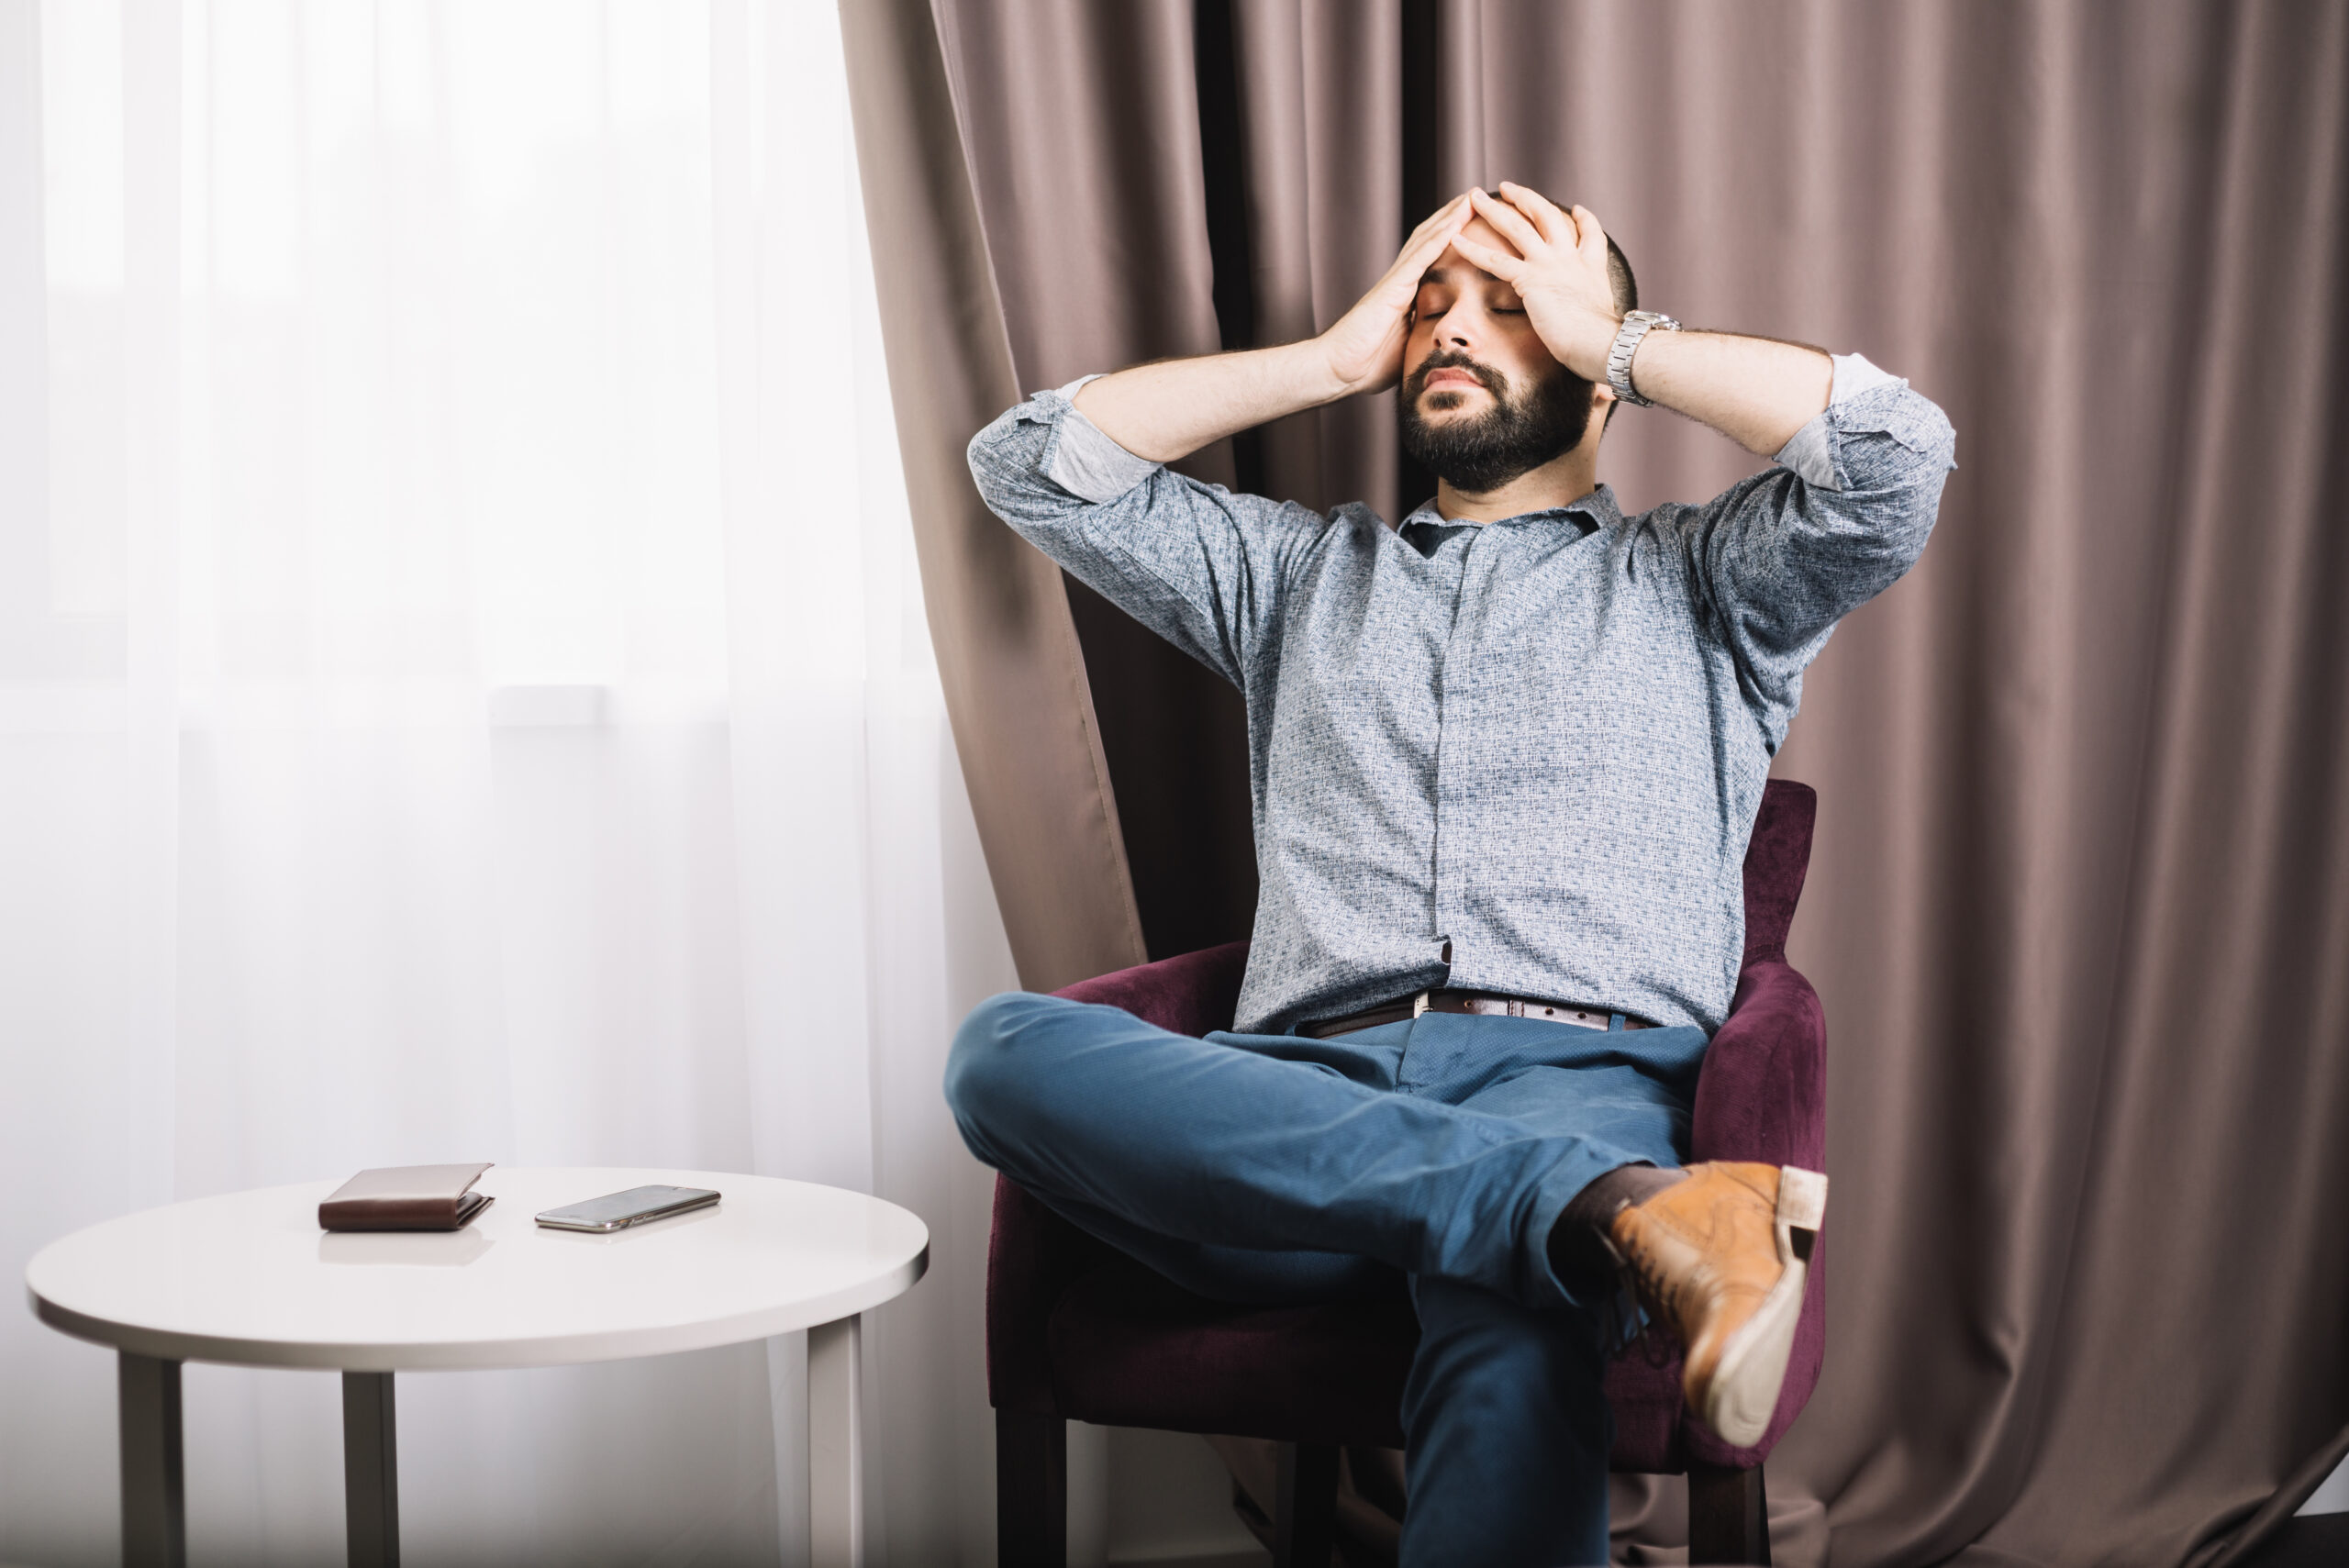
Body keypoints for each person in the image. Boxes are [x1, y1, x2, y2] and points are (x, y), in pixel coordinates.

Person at [949, 183, 1955, 1565]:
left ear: (1599, 373)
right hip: (1296, 1123)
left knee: (1519, 1316)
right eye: (1432, 307)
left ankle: (1559, 1208)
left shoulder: (1713, 581)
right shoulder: (1296, 578)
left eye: (1514, 305)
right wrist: (1327, 358)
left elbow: (1898, 456)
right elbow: (1027, 461)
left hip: (1586, 1078)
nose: (1455, 332)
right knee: (1000, 1052)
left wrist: (1620, 337)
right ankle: (1596, 1215)